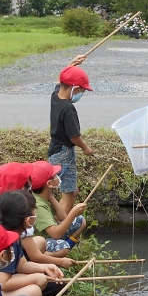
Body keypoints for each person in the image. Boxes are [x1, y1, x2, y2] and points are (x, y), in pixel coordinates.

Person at [0, 162, 76, 269]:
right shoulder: (23, 211)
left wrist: (51, 197)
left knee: (40, 241)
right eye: (28, 179)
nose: (31, 181)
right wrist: (59, 262)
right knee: (41, 277)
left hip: (15, 251)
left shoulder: (1, 207)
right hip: (10, 259)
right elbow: (37, 253)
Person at [0, 190, 65, 296]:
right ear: (27, 221)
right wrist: (33, 278)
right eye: (34, 210)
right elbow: (2, 283)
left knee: (42, 279)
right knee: (35, 291)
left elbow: (22, 265)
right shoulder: (6, 244)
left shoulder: (12, 234)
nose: (35, 213)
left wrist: (45, 267)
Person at [47, 65, 94, 214]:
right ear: (73, 88)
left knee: (71, 191)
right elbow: (74, 137)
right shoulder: (68, 109)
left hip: (55, 149)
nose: (81, 94)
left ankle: (59, 222)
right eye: (81, 91)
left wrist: (72, 63)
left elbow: (60, 80)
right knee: (69, 194)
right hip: (63, 153)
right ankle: (61, 227)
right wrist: (86, 148)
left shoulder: (55, 95)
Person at [30, 160, 87, 254]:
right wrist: (73, 213)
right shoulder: (38, 206)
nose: (58, 178)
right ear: (49, 183)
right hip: (42, 240)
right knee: (63, 248)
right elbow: (55, 234)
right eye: (55, 176)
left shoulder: (44, 196)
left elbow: (62, 217)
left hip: (51, 233)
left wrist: (51, 198)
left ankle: (66, 247)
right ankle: (42, 258)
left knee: (80, 221)